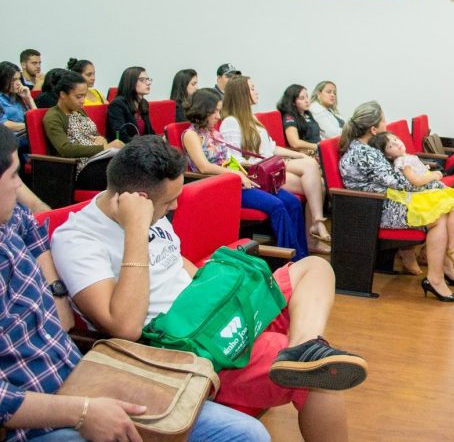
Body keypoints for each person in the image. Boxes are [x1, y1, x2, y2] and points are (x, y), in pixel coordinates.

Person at [50, 135, 367, 442]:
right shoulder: (78, 238)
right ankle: (303, 362)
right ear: (138, 200)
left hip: (206, 309)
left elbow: (176, 264)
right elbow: (125, 327)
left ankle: (302, 349)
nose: (175, 206)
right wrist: (135, 228)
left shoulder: (154, 213)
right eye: (168, 201)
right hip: (181, 347)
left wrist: (223, 284)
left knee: (315, 268)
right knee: (322, 379)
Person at [0, 125, 271, 442]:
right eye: (14, 176)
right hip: (37, 417)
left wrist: (57, 292)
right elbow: (124, 327)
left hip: (82, 373)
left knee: (248, 434)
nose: (22, 186)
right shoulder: (82, 236)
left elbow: (59, 307)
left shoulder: (12, 220)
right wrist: (83, 410)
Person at [339, 101, 454, 302]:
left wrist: (431, 183)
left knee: (441, 210)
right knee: (438, 217)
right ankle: (437, 278)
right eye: (383, 120)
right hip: (373, 208)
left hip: (383, 202)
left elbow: (399, 181)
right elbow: (402, 183)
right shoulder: (365, 153)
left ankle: (442, 272)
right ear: (373, 129)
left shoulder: (366, 148)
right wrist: (433, 181)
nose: (387, 123)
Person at [182, 88, 309, 259]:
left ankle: (303, 254)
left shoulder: (213, 132)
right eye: (215, 111)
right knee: (277, 206)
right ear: (204, 110)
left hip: (235, 179)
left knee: (292, 202)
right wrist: (236, 175)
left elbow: (226, 158)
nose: (218, 116)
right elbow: (204, 167)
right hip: (220, 186)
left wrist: (243, 171)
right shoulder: (191, 135)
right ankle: (291, 258)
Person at [221, 76, 331, 254]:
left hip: (269, 167)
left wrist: (298, 155)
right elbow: (233, 159)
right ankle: (296, 249)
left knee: (299, 193)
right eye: (252, 88)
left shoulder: (253, 119)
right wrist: (262, 164)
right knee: (294, 195)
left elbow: (271, 147)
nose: (256, 91)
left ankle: (303, 251)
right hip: (256, 174)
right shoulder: (231, 122)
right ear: (242, 94)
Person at [370, 131, 454, 266]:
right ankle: (452, 246)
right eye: (391, 146)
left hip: (426, 190)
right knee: (453, 207)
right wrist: (434, 175)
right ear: (387, 155)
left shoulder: (408, 157)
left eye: (396, 139)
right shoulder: (402, 161)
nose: (397, 144)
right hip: (420, 195)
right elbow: (415, 180)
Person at [43, 71, 124, 190]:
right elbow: (65, 149)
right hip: (78, 169)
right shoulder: (53, 116)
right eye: (78, 96)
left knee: (130, 162)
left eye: (84, 96)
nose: (83, 100)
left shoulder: (79, 110)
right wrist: (104, 148)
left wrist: (102, 139)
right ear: (63, 95)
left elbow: (93, 134)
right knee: (124, 171)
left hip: (96, 160)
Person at [106, 67, 155, 144]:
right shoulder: (117, 105)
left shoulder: (144, 103)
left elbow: (149, 132)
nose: (148, 83)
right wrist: (146, 144)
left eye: (148, 79)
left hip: (143, 148)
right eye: (142, 80)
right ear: (131, 82)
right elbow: (122, 137)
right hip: (126, 150)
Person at [0, 61, 37, 153]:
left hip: (25, 135)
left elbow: (36, 117)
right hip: (9, 140)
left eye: (19, 79)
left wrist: (28, 98)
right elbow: (3, 124)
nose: (18, 83)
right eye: (13, 80)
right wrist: (30, 126)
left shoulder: (18, 96)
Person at [277, 85, 320, 155]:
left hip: (317, 149)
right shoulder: (289, 117)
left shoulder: (307, 114)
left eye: (307, 96)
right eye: (302, 98)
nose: (307, 101)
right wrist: (317, 146)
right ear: (293, 102)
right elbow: (295, 143)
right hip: (307, 153)